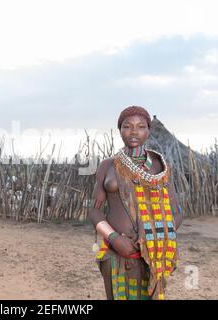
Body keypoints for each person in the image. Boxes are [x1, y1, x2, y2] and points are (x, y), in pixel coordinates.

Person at [88, 106, 183, 300]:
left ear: (148, 130)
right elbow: (94, 211)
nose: (133, 131)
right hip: (115, 252)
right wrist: (114, 238)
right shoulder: (108, 165)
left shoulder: (160, 167)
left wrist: (152, 237)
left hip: (151, 255)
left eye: (140, 127)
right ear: (119, 129)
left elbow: (177, 212)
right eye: (127, 126)